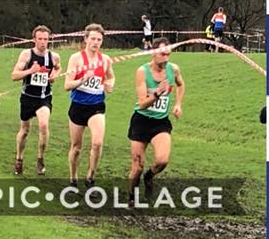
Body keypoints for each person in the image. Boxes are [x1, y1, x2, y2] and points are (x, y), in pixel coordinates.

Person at [127, 39, 184, 205]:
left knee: (162, 160)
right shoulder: (142, 72)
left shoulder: (173, 70)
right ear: (153, 53)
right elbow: (143, 103)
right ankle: (132, 195)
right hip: (141, 121)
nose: (165, 58)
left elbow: (181, 85)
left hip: (160, 122)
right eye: (162, 54)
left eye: (168, 54)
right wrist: (157, 94)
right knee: (137, 166)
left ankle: (149, 176)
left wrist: (178, 104)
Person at [65, 23, 115, 189]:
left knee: (97, 143)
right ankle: (73, 178)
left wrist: (109, 84)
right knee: (76, 147)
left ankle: (90, 178)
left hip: (97, 106)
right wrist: (82, 79)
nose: (96, 42)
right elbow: (67, 85)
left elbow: (111, 77)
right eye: (93, 39)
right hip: (78, 106)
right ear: (85, 39)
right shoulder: (76, 59)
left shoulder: (105, 60)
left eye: (99, 40)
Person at [12, 25, 62, 176]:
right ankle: (19, 159)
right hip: (27, 98)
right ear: (34, 39)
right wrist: (30, 71)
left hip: (43, 98)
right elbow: (14, 75)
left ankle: (40, 159)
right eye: (40, 39)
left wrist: (54, 74)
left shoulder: (54, 56)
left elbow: (58, 68)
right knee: (24, 131)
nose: (43, 42)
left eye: (45, 39)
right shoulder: (26, 55)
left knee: (44, 125)